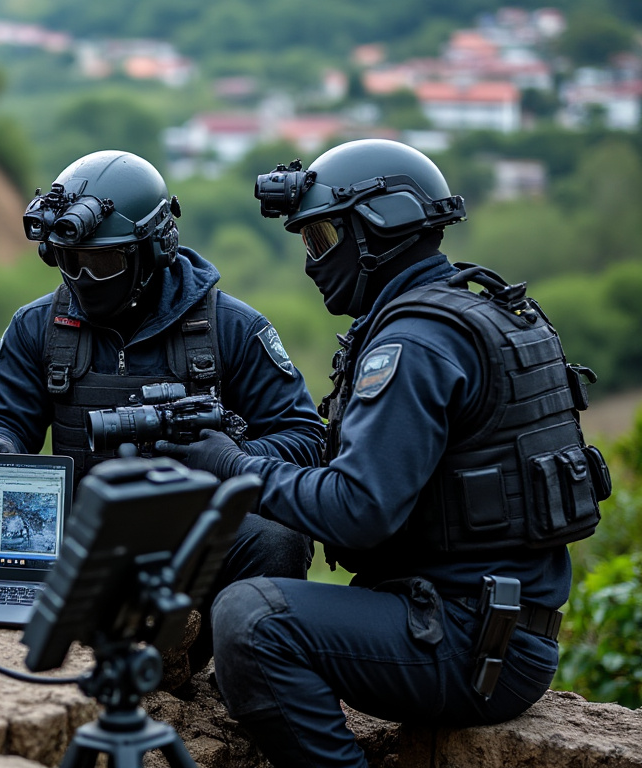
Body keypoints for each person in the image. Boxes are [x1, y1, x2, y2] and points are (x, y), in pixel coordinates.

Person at [160, 139, 610, 767]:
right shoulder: (464, 313)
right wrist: (247, 446)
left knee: (252, 618)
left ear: (376, 228)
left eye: (320, 239)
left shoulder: (413, 344)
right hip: (490, 630)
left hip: (469, 645)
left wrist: (233, 465)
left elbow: (360, 510)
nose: (312, 262)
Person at [0, 149, 324, 672]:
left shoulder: (233, 329)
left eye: (103, 261)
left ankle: (244, 676)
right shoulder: (38, 326)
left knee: (277, 538)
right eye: (69, 258)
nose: (83, 277)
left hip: (197, 531)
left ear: (153, 250)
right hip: (78, 530)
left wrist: (224, 456)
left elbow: (304, 439)